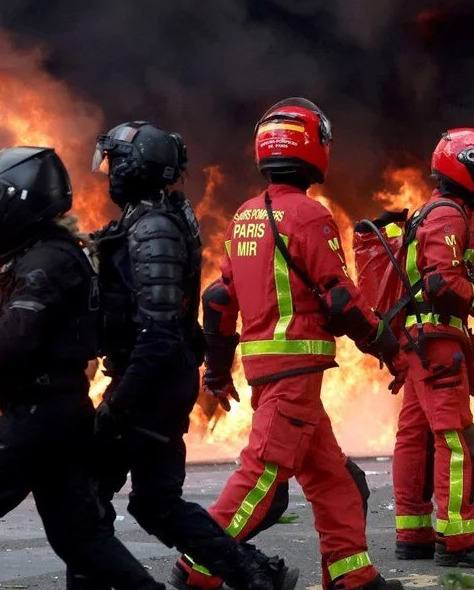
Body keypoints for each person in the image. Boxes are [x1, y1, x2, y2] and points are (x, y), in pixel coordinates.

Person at [172, 99, 405, 590]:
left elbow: (218, 299)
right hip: (295, 371)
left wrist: (216, 372)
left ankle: (352, 576)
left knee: (335, 479)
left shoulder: (244, 217)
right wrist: (387, 344)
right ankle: (198, 568)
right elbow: (342, 299)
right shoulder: (311, 216)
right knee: (261, 477)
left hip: (269, 371)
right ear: (314, 148)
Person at [66, 123, 297, 590]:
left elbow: (158, 327)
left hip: (151, 381)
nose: (109, 172)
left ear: (135, 167)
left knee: (86, 495)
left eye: (114, 162)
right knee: (157, 504)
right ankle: (256, 575)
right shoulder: (144, 219)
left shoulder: (154, 227)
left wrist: (119, 404)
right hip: (158, 380)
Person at [0, 146, 162, 590]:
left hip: (40, 414)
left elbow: (16, 338)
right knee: (78, 535)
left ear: (16, 201)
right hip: (57, 411)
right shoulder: (45, 254)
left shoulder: (48, 260)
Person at [392, 129, 474, 567]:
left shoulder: (429, 212)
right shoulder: (448, 216)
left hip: (418, 341)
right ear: (462, 169)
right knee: (457, 440)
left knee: (414, 437)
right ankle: (458, 541)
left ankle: (413, 533)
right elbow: (443, 284)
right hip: (439, 343)